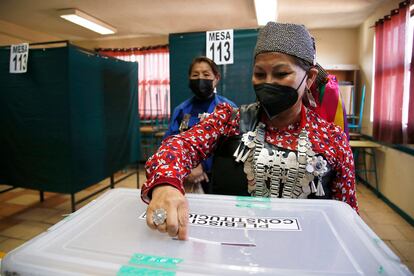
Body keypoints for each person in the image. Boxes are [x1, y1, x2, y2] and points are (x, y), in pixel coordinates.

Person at [142, 22, 358, 240]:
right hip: (235, 247)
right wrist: (166, 183)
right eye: (259, 74)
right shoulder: (230, 120)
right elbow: (179, 145)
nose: (268, 82)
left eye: (281, 73)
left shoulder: (331, 139)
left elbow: (346, 217)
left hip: (305, 252)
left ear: (309, 77)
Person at [163, 56, 237, 193]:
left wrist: (203, 165)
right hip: (188, 177)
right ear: (190, 79)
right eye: (195, 75)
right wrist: (190, 166)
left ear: (216, 78)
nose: (200, 79)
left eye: (206, 74)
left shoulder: (228, 108)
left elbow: (233, 145)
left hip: (220, 177)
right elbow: (171, 142)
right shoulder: (182, 110)